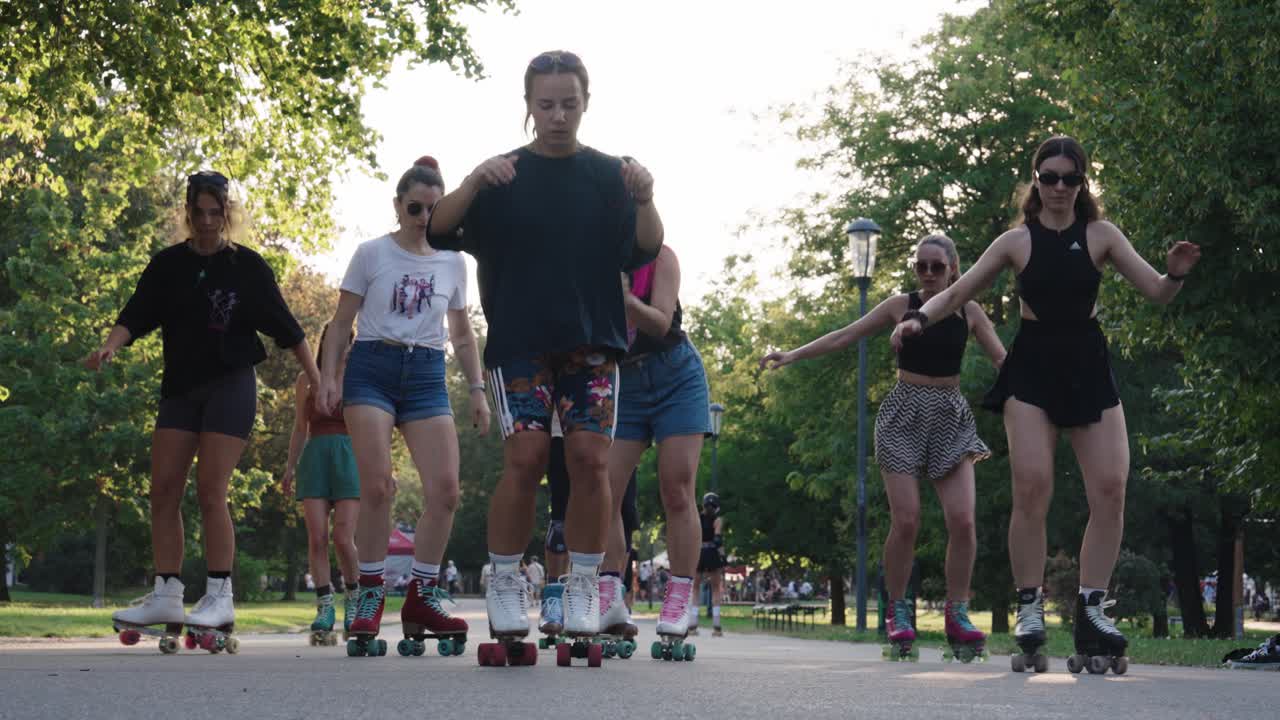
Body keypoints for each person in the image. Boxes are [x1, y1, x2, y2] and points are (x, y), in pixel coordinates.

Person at [890, 135, 1202, 669]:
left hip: (1087, 364)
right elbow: (959, 292)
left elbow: (1156, 292)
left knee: (1111, 487)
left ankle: (1092, 609)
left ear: (1082, 183)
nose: (1060, 186)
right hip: (1032, 367)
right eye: (1050, 177)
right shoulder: (1016, 242)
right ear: (1036, 181)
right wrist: (919, 318)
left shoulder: (1101, 235)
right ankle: (1030, 607)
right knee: (1032, 487)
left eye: (1070, 178)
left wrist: (1174, 273)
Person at [425, 49, 664, 645]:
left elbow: (645, 248)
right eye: (546, 104)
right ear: (529, 106)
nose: (558, 115)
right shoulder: (503, 176)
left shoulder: (610, 176)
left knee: (590, 460)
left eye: (569, 104)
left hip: (592, 343)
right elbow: (439, 229)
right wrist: (473, 179)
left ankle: (584, 584)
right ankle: (506, 581)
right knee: (526, 458)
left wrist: (645, 196)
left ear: (586, 103)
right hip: (521, 344)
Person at [90, 171, 318, 641]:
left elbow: (289, 330)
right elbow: (136, 313)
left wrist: (320, 381)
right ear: (188, 213)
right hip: (180, 388)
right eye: (199, 212)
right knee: (162, 490)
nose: (208, 221)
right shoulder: (168, 265)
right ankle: (167, 592)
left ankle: (219, 596)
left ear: (228, 213)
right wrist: (111, 345)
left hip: (231, 385)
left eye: (216, 213)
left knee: (211, 490)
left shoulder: (247, 267)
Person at [762, 233, 1006, 658]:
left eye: (936, 266)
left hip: (950, 415)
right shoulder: (899, 306)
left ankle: (957, 613)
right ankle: (898, 609)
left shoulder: (969, 310)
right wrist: (792, 355)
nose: (927, 273)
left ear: (953, 269)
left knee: (964, 521)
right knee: (907, 520)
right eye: (920, 266)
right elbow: (845, 336)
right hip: (903, 415)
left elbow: (1003, 360)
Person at [316, 156, 491, 654]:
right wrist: (329, 376)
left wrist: (477, 389)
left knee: (447, 491)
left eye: (433, 209)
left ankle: (422, 595)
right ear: (397, 206)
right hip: (373, 367)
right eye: (415, 207)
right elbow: (341, 322)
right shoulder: (371, 254)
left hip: (427, 374)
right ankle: (370, 593)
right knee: (377, 487)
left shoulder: (453, 261)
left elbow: (462, 333)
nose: (423, 217)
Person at [601, 248, 711, 643]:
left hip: (676, 376)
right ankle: (609, 593)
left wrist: (626, 300)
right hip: (622, 381)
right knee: (604, 492)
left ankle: (679, 600)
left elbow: (661, 323)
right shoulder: (591, 257)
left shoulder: (660, 258)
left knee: (677, 490)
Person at [283, 323, 360, 642]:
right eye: (331, 338)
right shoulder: (306, 379)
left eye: (345, 339)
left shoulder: (359, 378)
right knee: (317, 538)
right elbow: (300, 428)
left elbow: (372, 426)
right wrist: (290, 467)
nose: (338, 343)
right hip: (314, 458)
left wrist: (381, 465)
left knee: (343, 537)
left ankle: (354, 599)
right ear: (324, 341)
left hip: (350, 456)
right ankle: (325, 606)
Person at [692, 492, 727, 636]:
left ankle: (693, 623)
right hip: (712, 552)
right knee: (716, 588)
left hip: (699, 552)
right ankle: (716, 625)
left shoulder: (696, 518)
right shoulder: (718, 520)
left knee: (695, 588)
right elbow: (718, 540)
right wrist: (723, 556)